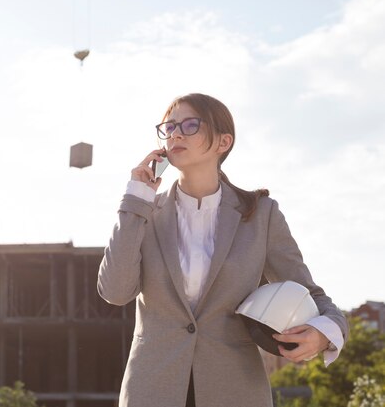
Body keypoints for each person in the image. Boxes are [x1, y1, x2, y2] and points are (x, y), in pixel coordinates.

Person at [97, 93, 348, 407]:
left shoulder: (261, 215)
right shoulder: (145, 212)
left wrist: (325, 332)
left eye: (190, 125)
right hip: (152, 391)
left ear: (223, 141)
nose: (175, 133)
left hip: (236, 391)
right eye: (170, 126)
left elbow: (313, 296)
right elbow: (116, 291)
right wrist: (135, 199)